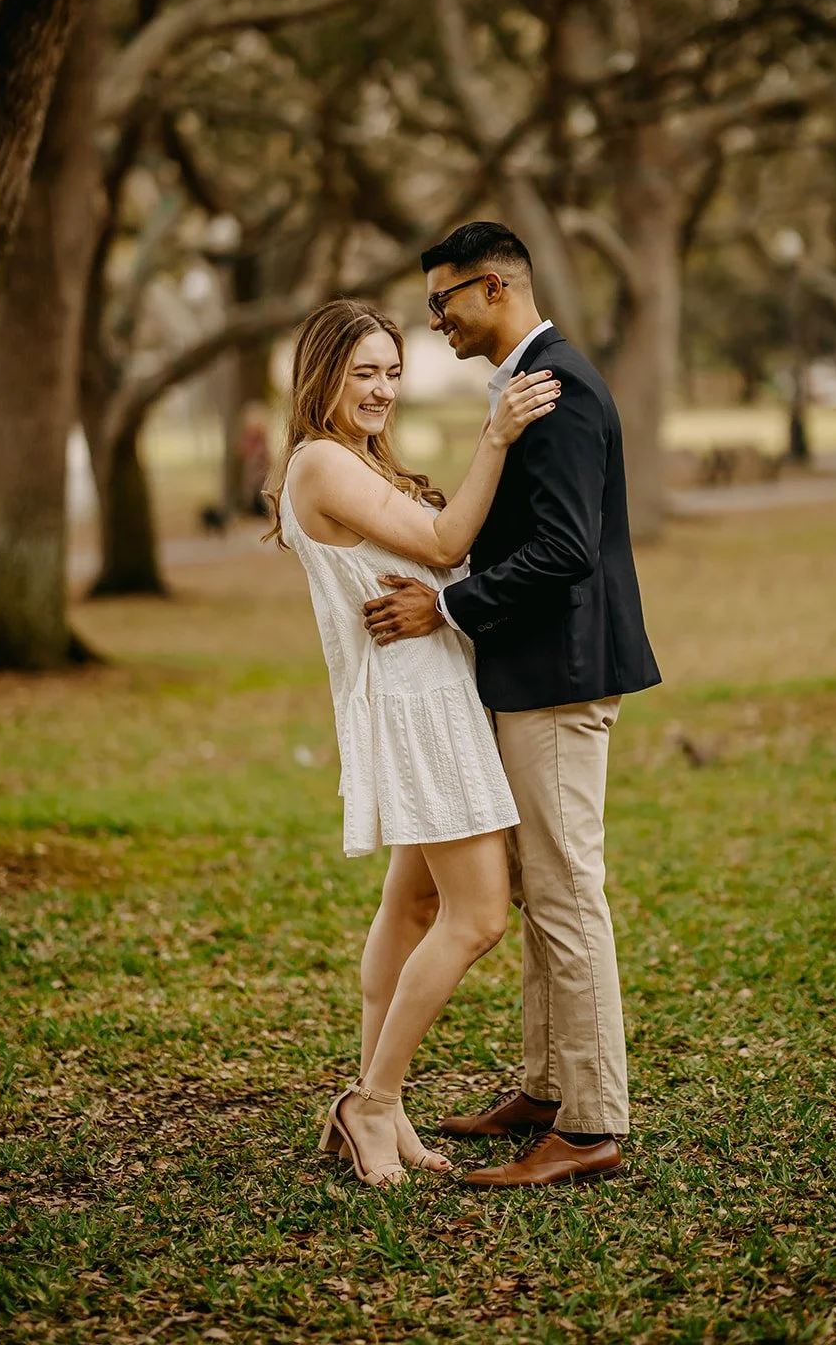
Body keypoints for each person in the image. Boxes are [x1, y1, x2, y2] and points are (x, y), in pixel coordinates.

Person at [363, 222, 661, 1188]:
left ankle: (590, 1129)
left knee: (568, 892)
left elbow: (567, 549)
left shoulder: (559, 387)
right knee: (539, 886)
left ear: (492, 289)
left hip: (562, 677)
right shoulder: (527, 380)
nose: (434, 322)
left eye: (442, 303)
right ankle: (543, 1090)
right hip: (531, 673)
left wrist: (445, 606)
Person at [262, 297, 561, 1188]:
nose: (382, 389)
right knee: (475, 916)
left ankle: (371, 1101)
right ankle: (374, 1102)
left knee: (416, 911)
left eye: (393, 371)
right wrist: (496, 436)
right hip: (417, 703)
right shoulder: (319, 461)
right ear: (322, 374)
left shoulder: (354, 459)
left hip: (427, 694)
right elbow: (442, 537)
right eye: (364, 373)